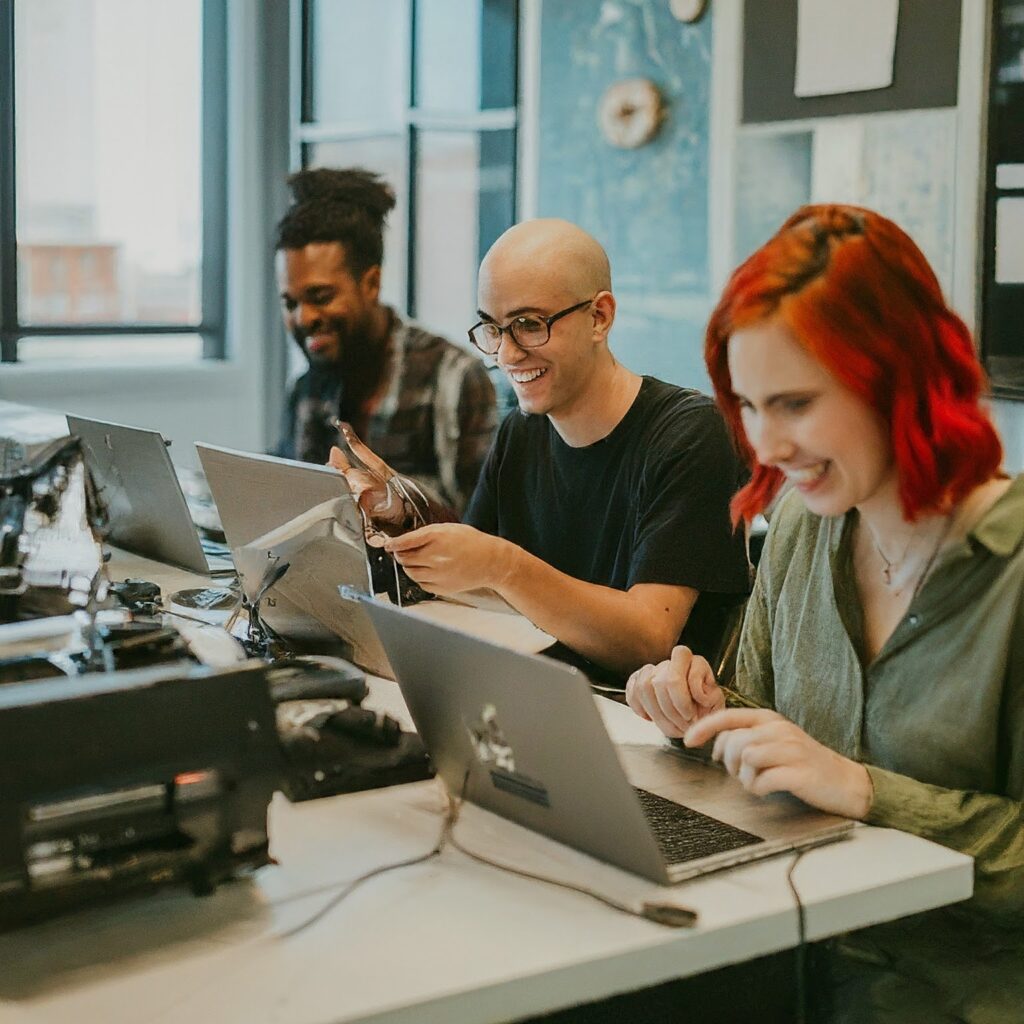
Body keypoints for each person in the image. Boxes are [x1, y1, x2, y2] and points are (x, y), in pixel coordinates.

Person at [626, 204, 1023, 1023]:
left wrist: (866, 790)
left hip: (955, 993)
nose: (765, 445)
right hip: (791, 953)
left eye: (796, 404)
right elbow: (777, 728)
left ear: (899, 380)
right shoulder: (808, 524)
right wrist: (702, 712)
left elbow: (847, 783)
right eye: (749, 406)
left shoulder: (1010, 574)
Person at [339, 218, 750, 684]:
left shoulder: (690, 434)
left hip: (644, 720)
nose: (508, 355)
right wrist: (402, 513)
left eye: (529, 325)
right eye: (493, 329)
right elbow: (470, 589)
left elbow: (648, 639)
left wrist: (505, 566)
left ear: (600, 317)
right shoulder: (521, 432)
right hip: (534, 695)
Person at [274, 167, 496, 514]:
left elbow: (481, 523)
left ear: (372, 284)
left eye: (321, 296)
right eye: (290, 303)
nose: (304, 318)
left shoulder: (453, 379)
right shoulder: (306, 389)